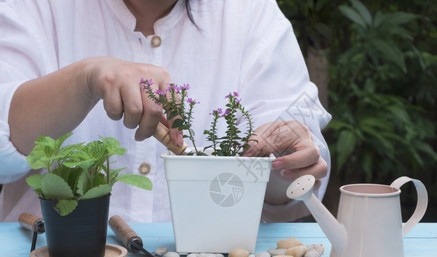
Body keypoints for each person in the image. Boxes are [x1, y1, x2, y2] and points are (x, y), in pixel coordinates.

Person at [0, 0, 331, 222]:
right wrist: (84, 79)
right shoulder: (34, 7)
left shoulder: (249, 12)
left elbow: (289, 192)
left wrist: (283, 162)